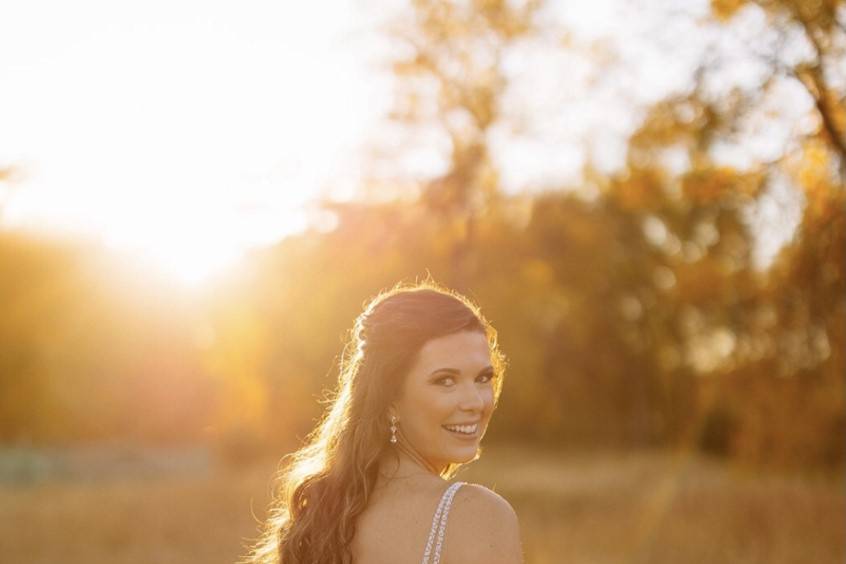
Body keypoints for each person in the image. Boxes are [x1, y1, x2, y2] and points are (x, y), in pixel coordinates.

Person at [243, 281, 524, 564]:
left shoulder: (322, 518)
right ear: (388, 399)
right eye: (445, 381)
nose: (475, 401)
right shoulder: (477, 515)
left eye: (483, 378)